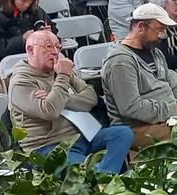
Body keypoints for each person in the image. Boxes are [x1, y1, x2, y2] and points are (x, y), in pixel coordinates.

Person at [8, 30, 133, 174]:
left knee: (123, 134)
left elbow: (91, 97)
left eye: (58, 47)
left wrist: (59, 98)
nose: (55, 52)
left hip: (81, 136)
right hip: (49, 146)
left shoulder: (60, 69)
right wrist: (62, 76)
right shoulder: (21, 81)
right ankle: (103, 178)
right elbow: (51, 111)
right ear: (31, 50)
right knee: (83, 171)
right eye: (48, 47)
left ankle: (103, 176)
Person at [102, 3, 177, 150]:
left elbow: (173, 89)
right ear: (141, 26)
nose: (162, 36)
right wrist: (172, 109)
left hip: (166, 117)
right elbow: (130, 107)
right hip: (137, 126)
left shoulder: (155, 53)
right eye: (159, 30)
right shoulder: (120, 61)